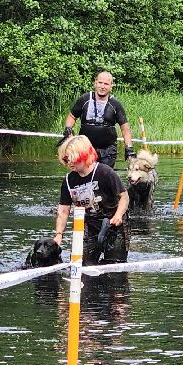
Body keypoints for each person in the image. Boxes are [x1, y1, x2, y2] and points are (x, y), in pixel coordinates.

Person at [53, 135, 129, 265]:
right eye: (66, 159)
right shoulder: (68, 181)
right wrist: (59, 234)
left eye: (72, 158)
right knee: (81, 265)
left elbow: (124, 197)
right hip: (89, 227)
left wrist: (118, 215)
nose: (69, 163)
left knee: (115, 267)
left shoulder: (105, 172)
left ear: (83, 155)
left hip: (113, 225)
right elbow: (64, 210)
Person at [63, 71, 134, 169]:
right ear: (95, 83)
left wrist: (129, 148)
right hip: (85, 149)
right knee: (85, 178)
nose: (102, 86)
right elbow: (72, 116)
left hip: (107, 152)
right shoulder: (84, 99)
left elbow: (125, 129)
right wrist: (68, 129)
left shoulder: (115, 105)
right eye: (100, 83)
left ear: (111, 86)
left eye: (106, 84)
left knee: (104, 179)